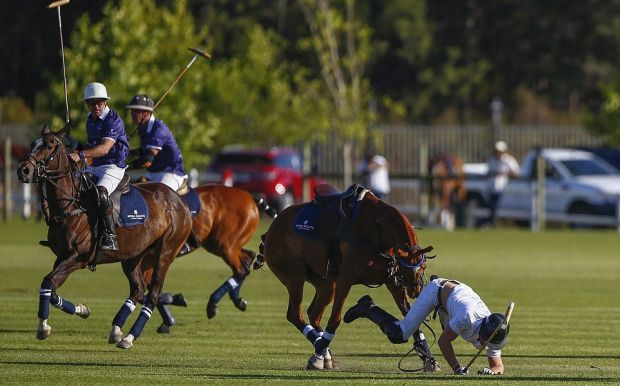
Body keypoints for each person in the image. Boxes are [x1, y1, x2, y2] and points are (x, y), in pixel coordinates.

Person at [344, 277, 510, 375]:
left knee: (449, 327)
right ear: (483, 334)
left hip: (455, 299)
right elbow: (444, 342)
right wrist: (457, 369)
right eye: (488, 342)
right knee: (399, 334)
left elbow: (498, 365)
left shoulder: (495, 330)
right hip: (437, 292)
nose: (489, 346)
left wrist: (492, 372)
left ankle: (428, 361)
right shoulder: (466, 318)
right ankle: (368, 307)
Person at [68, 82, 129, 251]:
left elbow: (104, 149)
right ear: (87, 104)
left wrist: (80, 155)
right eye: (92, 103)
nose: (96, 106)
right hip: (96, 165)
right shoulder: (90, 120)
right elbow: (92, 145)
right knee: (73, 186)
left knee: (100, 193)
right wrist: (76, 144)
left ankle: (110, 236)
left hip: (113, 166)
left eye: (99, 102)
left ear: (105, 102)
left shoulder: (113, 119)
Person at [125, 94, 187, 191]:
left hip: (170, 173)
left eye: (136, 111)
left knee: (159, 197)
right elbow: (143, 151)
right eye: (132, 110)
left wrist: (126, 167)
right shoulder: (143, 128)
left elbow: (148, 160)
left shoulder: (159, 129)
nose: (132, 114)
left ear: (146, 113)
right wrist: (125, 153)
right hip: (152, 173)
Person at [483, 140, 520, 226]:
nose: (497, 153)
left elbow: (516, 172)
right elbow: (488, 172)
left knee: (496, 207)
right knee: (490, 206)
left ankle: (492, 222)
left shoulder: (508, 160)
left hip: (503, 187)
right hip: (491, 187)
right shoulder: (492, 160)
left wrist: (504, 173)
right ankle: (491, 222)